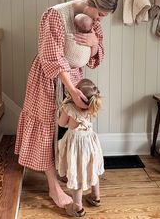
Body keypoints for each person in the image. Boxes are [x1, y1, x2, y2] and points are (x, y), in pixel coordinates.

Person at [14, 0, 118, 208]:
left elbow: (95, 58)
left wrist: (93, 44)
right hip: (49, 77)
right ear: (90, 2)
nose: (100, 20)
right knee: (46, 127)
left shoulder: (93, 22)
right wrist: (71, 88)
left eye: (104, 17)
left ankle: (62, 170)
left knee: (66, 129)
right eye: (99, 14)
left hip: (75, 76)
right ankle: (53, 188)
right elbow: (52, 56)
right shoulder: (55, 15)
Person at [58, 78, 103, 217]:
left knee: (76, 174)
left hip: (76, 146)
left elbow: (61, 123)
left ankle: (77, 207)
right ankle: (95, 197)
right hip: (90, 143)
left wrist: (65, 104)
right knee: (91, 169)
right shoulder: (92, 107)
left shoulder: (69, 108)